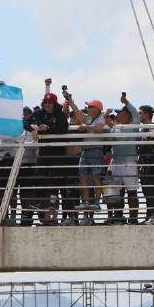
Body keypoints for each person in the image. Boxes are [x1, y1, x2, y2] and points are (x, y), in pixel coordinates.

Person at [25, 92, 68, 226]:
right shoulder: (39, 113)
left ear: (54, 104)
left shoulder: (59, 114)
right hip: (43, 153)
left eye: (50, 103)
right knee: (41, 179)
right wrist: (32, 130)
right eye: (46, 102)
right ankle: (40, 204)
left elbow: (63, 129)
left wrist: (48, 128)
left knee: (55, 182)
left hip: (58, 154)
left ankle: (53, 209)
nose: (48, 105)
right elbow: (24, 121)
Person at [67, 93, 108, 223]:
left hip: (96, 151)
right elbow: (78, 112)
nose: (89, 108)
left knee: (96, 177)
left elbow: (98, 129)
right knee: (83, 177)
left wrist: (86, 127)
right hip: (86, 150)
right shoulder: (89, 118)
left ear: (97, 109)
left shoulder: (101, 118)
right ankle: (86, 202)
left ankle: (96, 202)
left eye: (90, 106)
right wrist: (70, 101)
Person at [105, 95, 140, 224]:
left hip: (129, 163)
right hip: (116, 163)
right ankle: (118, 216)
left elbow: (136, 114)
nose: (118, 115)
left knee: (132, 192)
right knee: (117, 193)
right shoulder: (115, 127)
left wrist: (127, 102)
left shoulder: (133, 126)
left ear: (128, 116)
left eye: (121, 113)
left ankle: (133, 218)